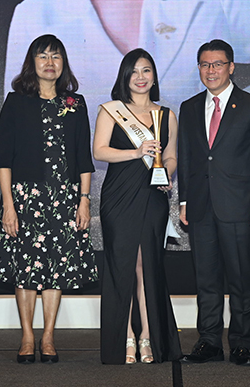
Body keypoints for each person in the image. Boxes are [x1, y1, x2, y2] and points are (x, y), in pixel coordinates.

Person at [4, 0, 250, 123]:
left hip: (190, 181)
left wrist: (235, 110)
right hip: (83, 186)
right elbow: (21, 117)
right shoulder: (36, 11)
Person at [0, 34, 97, 364]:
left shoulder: (75, 103)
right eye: (43, 56)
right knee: (25, 268)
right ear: (32, 62)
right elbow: (4, 159)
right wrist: (8, 205)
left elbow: (83, 158)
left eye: (56, 56)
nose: (50, 63)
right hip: (25, 199)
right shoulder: (16, 102)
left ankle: (48, 336)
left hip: (64, 198)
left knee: (57, 267)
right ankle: (27, 336)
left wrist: (84, 200)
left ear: (63, 63)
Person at [178, 39, 250, 366]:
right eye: (205, 64)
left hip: (239, 206)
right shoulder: (189, 107)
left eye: (218, 64)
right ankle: (208, 341)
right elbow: (187, 158)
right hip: (201, 206)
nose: (211, 70)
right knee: (206, 279)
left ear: (231, 67)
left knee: (241, 279)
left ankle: (241, 344)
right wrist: (184, 200)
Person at [93, 48, 182, 364]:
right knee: (123, 265)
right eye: (134, 71)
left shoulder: (167, 115)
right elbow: (99, 151)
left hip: (153, 197)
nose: (140, 77)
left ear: (154, 76)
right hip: (119, 197)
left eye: (146, 70)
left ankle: (147, 336)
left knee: (148, 265)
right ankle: (126, 337)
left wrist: (166, 173)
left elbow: (171, 156)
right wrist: (136, 152)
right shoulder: (111, 111)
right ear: (124, 76)